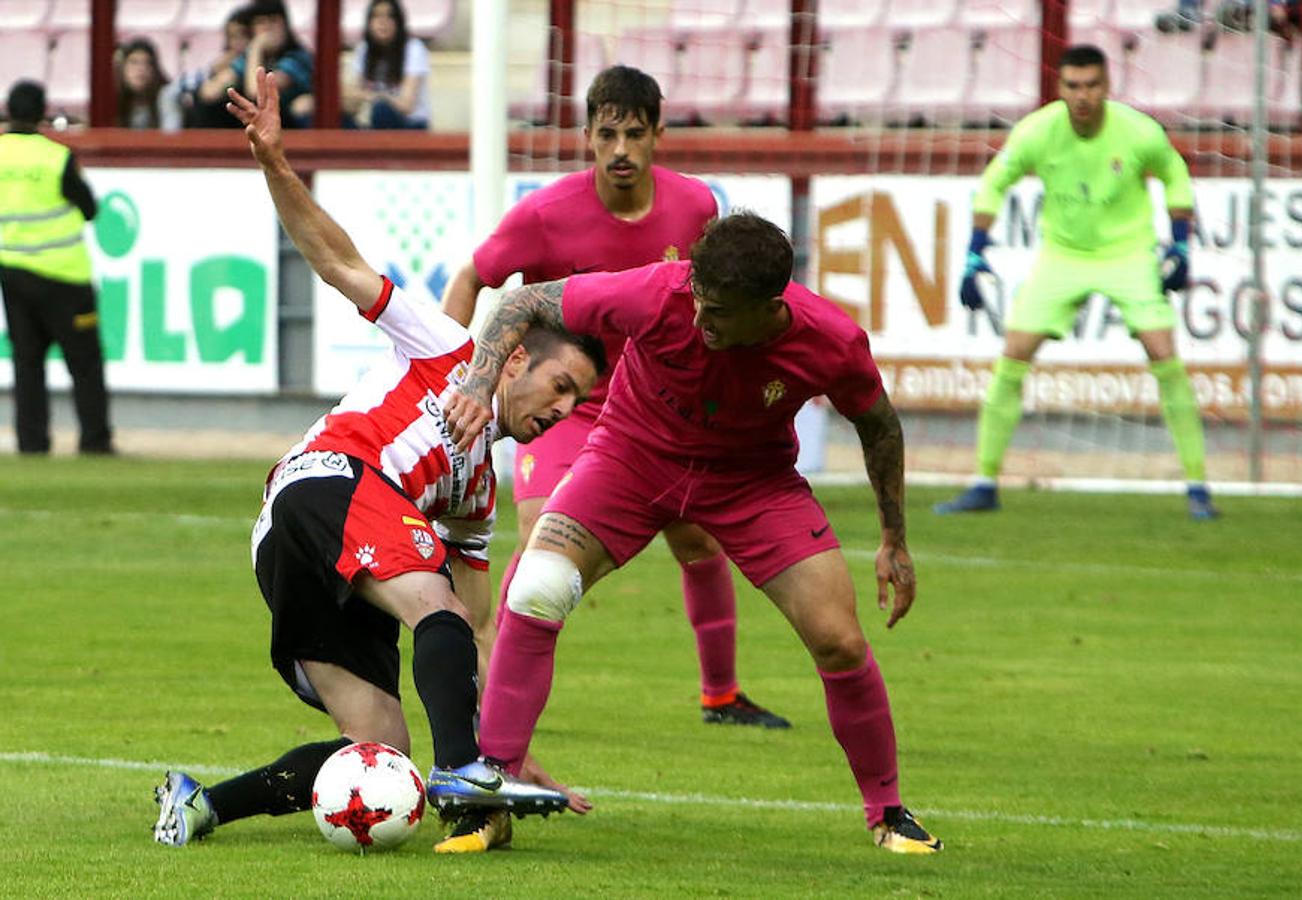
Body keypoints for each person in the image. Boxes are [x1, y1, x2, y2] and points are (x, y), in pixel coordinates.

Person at [151, 69, 604, 852]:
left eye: (578, 402)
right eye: (560, 386)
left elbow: (476, 627)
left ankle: (200, 805)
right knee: (434, 610)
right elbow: (340, 264)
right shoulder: (448, 346)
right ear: (515, 360)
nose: (563, 411)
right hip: (328, 482)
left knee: (382, 751)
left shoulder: (475, 492)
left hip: (299, 544)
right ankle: (462, 775)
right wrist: (275, 163)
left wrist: (511, 750)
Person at [443, 212, 944, 855]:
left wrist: (893, 539)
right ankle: (490, 797)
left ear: (770, 307)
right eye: (698, 300)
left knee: (839, 639)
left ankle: (889, 812)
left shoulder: (831, 340)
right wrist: (479, 384)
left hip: (752, 482)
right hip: (630, 459)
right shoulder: (661, 293)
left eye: (720, 313)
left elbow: (879, 426)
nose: (700, 319)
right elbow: (526, 300)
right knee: (537, 586)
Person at [442, 65, 790, 731]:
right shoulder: (545, 215)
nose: (621, 150)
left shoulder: (695, 207)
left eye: (634, 133)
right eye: (607, 135)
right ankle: (488, 686)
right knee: (543, 539)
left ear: (658, 133)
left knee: (698, 538)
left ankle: (721, 696)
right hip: (568, 405)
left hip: (660, 406)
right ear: (587, 136)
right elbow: (472, 279)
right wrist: (452, 375)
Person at [936, 44, 1219, 520]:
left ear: (1106, 86)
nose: (1082, 95)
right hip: (1063, 255)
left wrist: (1181, 244)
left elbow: (1175, 174)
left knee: (1163, 352)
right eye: (1073, 86)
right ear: (1060, 87)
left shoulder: (1138, 131)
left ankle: (1197, 487)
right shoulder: (1037, 131)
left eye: (1091, 85)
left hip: (1127, 254)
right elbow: (993, 184)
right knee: (1014, 352)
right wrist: (974, 253)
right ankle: (984, 482)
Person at [0, 80, 113, 455]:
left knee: (27, 363)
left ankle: (32, 443)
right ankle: (94, 441)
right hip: (64, 274)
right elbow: (89, 209)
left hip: (13, 269)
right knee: (85, 363)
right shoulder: (56, 158)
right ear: (42, 113)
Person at [198, 0, 313, 128]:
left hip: (290, 128)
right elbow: (209, 93)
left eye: (274, 21)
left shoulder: (297, 58)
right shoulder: (246, 59)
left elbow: (257, 94)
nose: (268, 28)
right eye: (261, 22)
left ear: (285, 25)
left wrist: (256, 47)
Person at [342, 0, 431, 130]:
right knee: (337, 117)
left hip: (410, 125)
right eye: (376, 16)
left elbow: (407, 105)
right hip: (376, 124)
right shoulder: (364, 49)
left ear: (399, 22)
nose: (383, 22)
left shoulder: (413, 48)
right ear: (369, 22)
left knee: (382, 110)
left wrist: (371, 96)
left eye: (390, 16)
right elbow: (353, 102)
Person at [180, 6, 252, 129]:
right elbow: (205, 92)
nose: (236, 42)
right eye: (231, 37)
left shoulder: (251, 62)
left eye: (242, 35)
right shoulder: (223, 63)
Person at [115, 37, 183, 131]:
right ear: (123, 68)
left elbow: (171, 135)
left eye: (148, 63)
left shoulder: (165, 97)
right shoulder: (112, 101)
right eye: (134, 62)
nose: (141, 69)